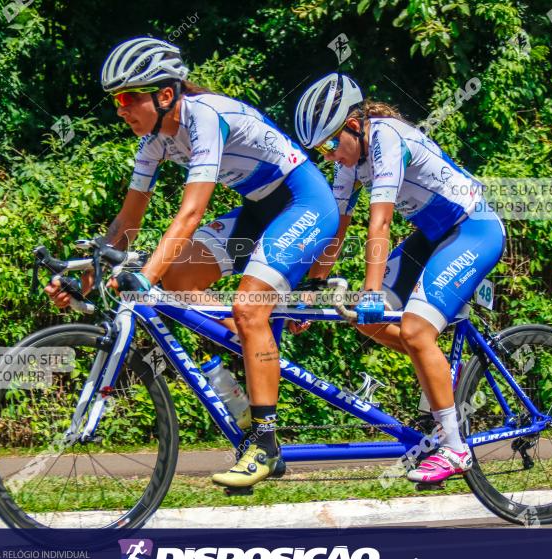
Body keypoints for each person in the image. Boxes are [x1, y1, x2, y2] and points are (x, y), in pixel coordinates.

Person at [45, 38, 340, 488]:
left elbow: (191, 213)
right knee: (178, 281)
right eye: (116, 101)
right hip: (260, 210)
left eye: (128, 98)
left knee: (242, 304)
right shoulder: (154, 140)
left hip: (305, 203)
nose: (120, 109)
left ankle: (265, 444)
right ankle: (248, 347)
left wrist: (144, 275)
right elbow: (127, 220)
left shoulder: (203, 117)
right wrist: (88, 278)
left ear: (165, 95)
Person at [293, 73, 506, 484]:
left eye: (333, 143)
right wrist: (310, 290)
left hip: (472, 229)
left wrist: (373, 290)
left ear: (354, 127)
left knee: (412, 329)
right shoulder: (352, 161)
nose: (332, 155)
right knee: (364, 320)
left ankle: (455, 448)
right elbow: (336, 229)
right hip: (430, 237)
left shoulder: (388, 137)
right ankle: (441, 370)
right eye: (323, 149)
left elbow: (381, 221)